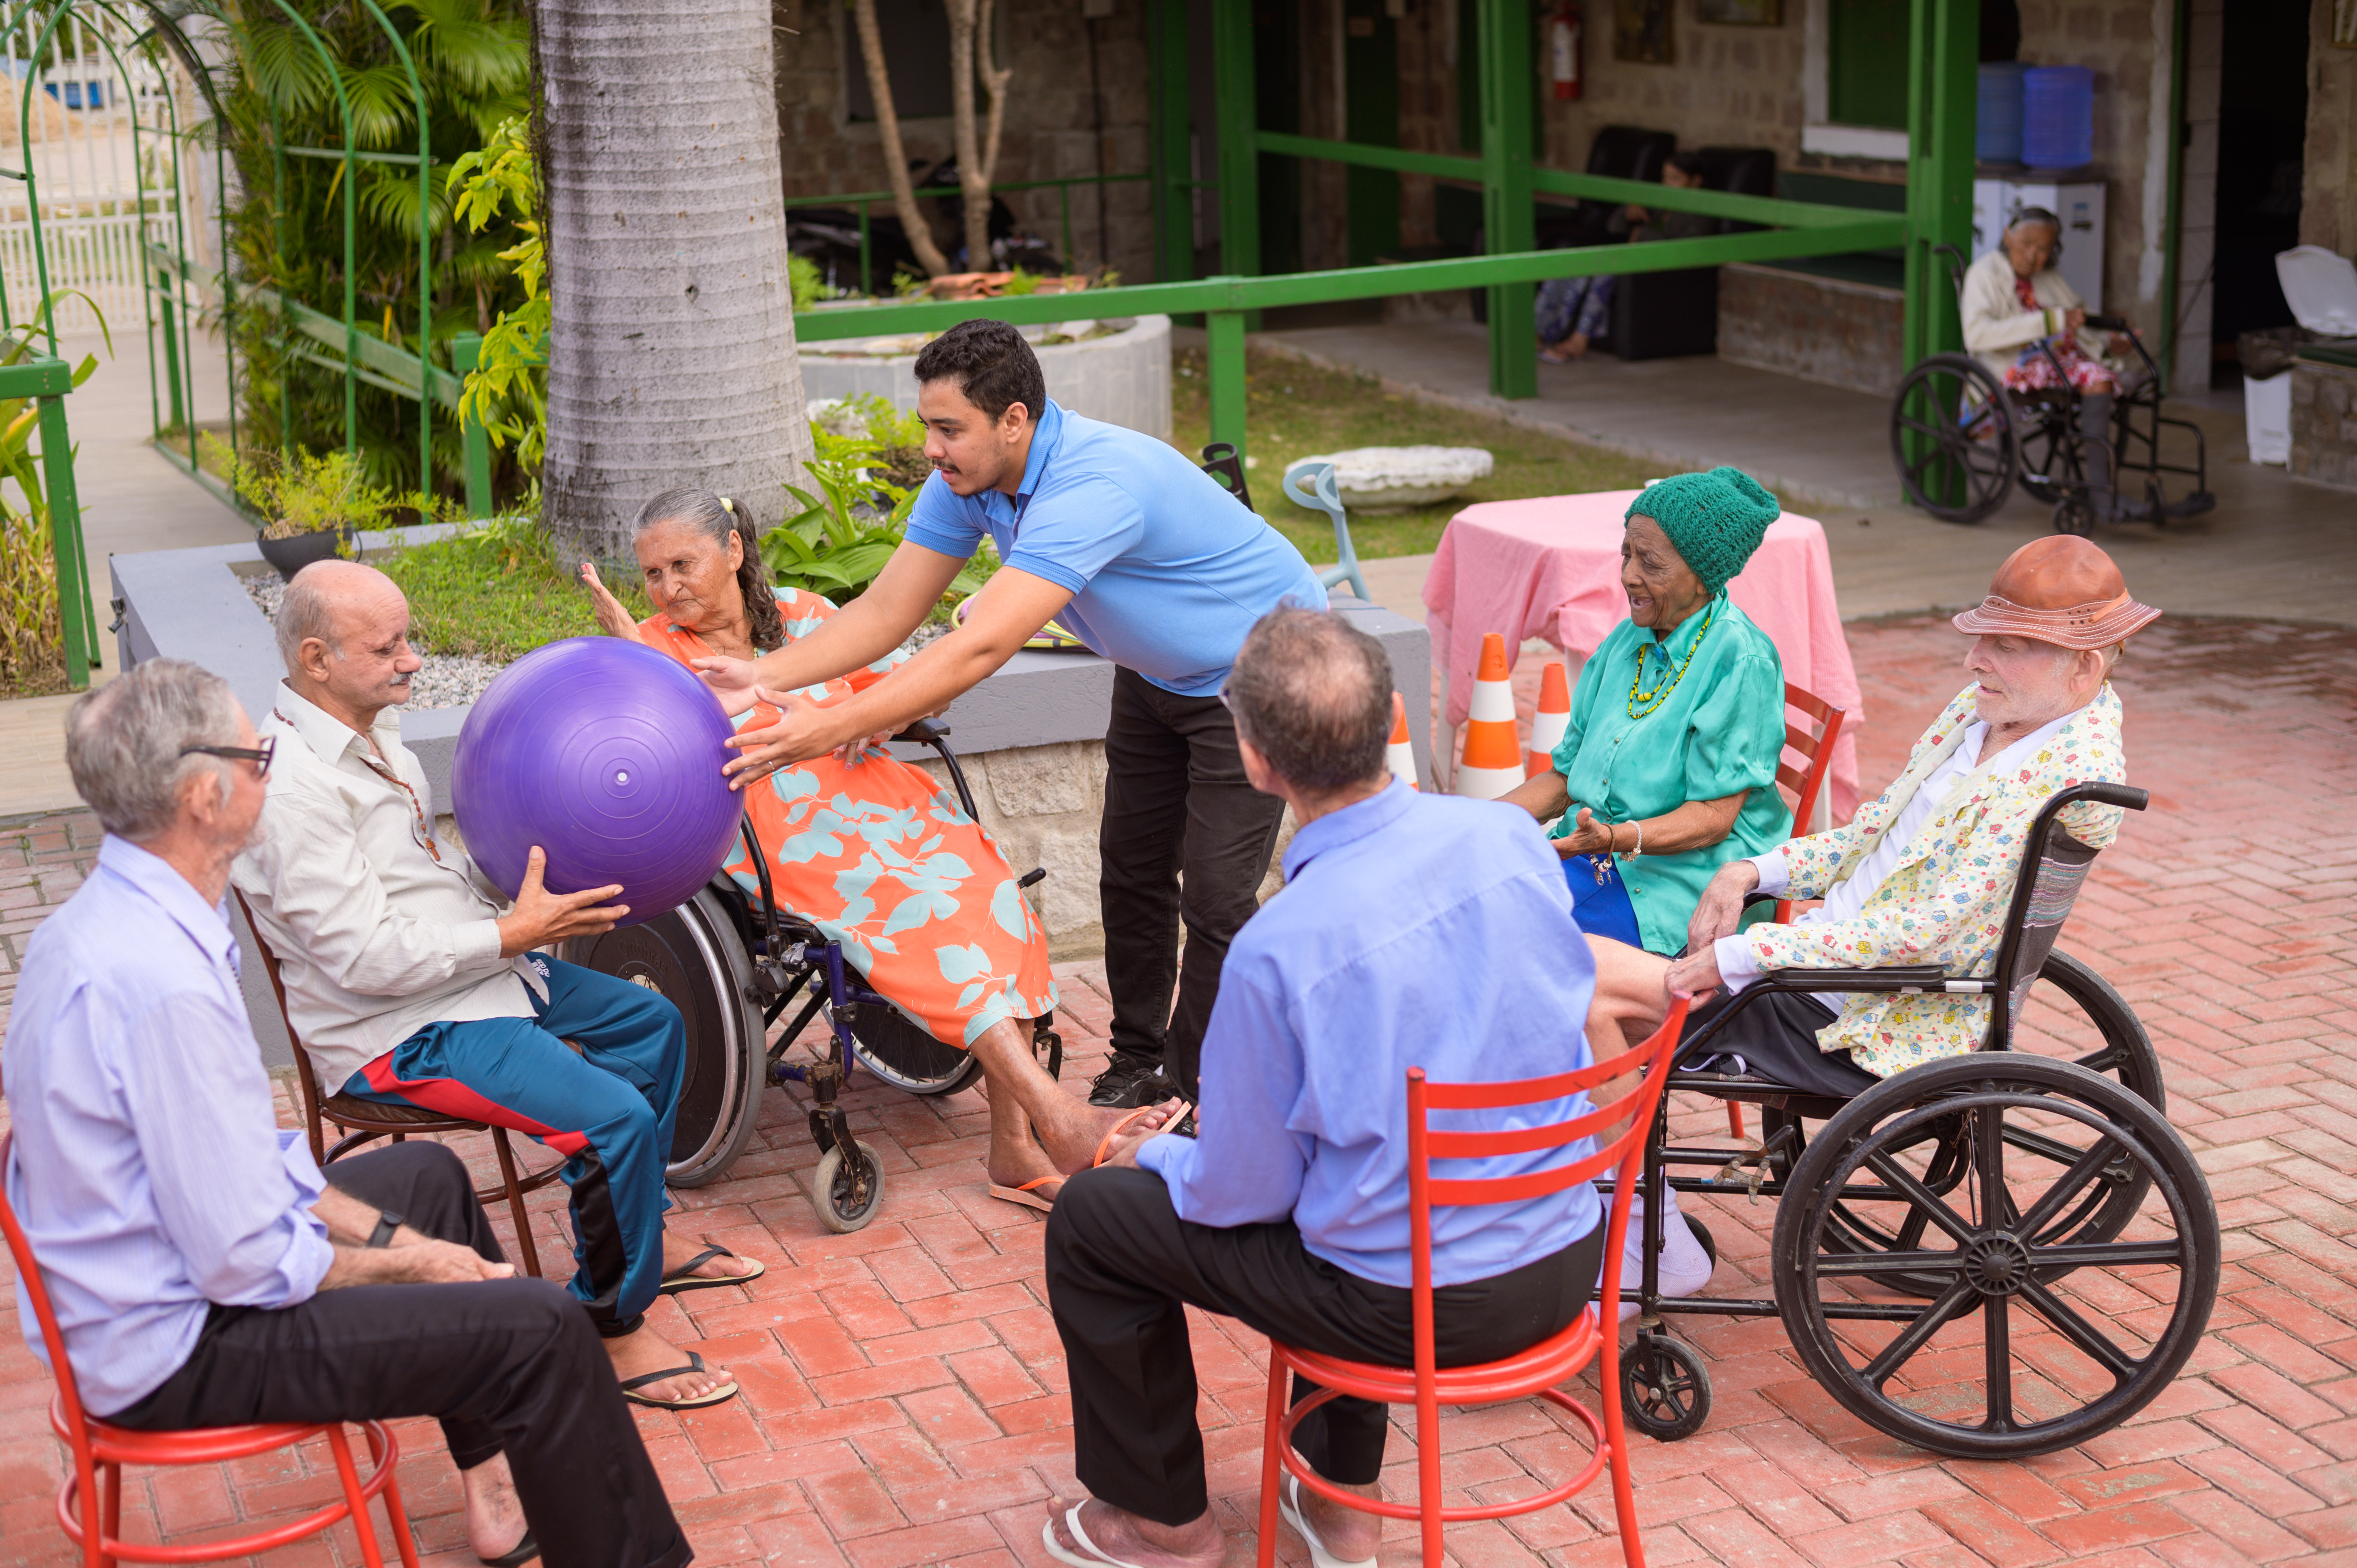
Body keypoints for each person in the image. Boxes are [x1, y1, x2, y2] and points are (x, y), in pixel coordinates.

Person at [5, 659, 688, 1568]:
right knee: (542, 1326)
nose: (272, 765)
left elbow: (230, 1158)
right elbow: (243, 1259)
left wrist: (394, 1230)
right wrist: (409, 1262)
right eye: (256, 755)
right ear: (204, 797)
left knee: (429, 1179)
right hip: (177, 1348)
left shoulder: (110, 919)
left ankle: (495, 1495)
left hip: (145, 1280)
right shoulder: (160, 982)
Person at [1038, 608, 1609, 1568]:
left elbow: (1243, 1194)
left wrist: (1153, 1151)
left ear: (1256, 762)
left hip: (1411, 1299)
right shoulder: (1509, 837)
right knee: (1356, 1183)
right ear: (1389, 716)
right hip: (1566, 1250)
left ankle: (1165, 1525)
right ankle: (1343, 1510)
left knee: (1095, 1217)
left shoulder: (1278, 946)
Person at [694, 318, 1327, 1110]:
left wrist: (823, 727)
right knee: (1131, 869)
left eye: (948, 428)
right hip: (1158, 673)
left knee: (1217, 896)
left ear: (1014, 420)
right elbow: (887, 609)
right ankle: (1136, 1061)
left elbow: (983, 644)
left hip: (1261, 670)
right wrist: (761, 673)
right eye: (927, 425)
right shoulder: (972, 478)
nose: (931, 447)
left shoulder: (1093, 484)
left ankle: (1191, 1091)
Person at [233, 560, 754, 1413]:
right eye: (388, 647)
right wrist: (512, 932)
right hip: (399, 1029)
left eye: (408, 639)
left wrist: (523, 883)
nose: (412, 660)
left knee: (652, 1025)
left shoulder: (372, 732)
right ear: (317, 659)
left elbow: (423, 877)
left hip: (473, 974)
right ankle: (613, 1325)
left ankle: (637, 1235)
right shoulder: (292, 788)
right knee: (612, 1121)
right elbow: (362, 958)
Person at [579, 486, 1108, 1211]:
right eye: (652, 574)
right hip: (780, 828)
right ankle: (1055, 1117)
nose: (668, 589)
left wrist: (873, 716)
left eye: (682, 565)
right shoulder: (653, 647)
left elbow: (916, 693)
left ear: (732, 551)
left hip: (882, 801)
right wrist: (633, 657)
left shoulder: (805, 616)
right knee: (927, 909)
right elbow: (642, 758)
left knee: (990, 895)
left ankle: (1013, 1145)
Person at [1585, 535, 2152, 1097]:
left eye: (2006, 646)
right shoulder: (1986, 713)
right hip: (1812, 972)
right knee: (1582, 980)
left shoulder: (2064, 776)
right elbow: (1870, 835)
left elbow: (1927, 932)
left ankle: (1618, 1159)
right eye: (1984, 640)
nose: (1974, 659)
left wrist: (1746, 954)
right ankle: (1613, 1153)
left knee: (1583, 982)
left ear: (2083, 666)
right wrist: (1753, 871)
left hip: (1856, 1020)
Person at [1498, 467, 1792, 955]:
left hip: (1688, 879)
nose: (1628, 575)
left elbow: (1714, 818)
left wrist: (1615, 838)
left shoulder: (1741, 659)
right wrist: (1481, 821)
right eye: (1627, 554)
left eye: (1650, 562)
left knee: (1514, 935)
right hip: (1599, 853)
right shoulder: (1627, 640)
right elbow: (1567, 777)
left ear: (1703, 578)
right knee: (1467, 900)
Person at [1961, 207, 2141, 521]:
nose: (2033, 256)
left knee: (2115, 374)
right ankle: (2102, 494)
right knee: (2098, 380)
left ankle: (2102, 488)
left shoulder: (2048, 277)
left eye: (2043, 249)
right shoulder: (1985, 274)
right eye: (2026, 244)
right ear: (2007, 237)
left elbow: (2078, 319)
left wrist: (2108, 340)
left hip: (2056, 357)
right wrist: (2049, 321)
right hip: (2012, 363)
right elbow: (1977, 334)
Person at [1535, 151, 1718, 363]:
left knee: (1605, 275)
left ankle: (1580, 339)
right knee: (1574, 265)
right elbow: (1614, 227)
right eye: (1665, 177)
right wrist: (1628, 212)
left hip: (1661, 267)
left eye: (1675, 179)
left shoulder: (1703, 210)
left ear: (1696, 181)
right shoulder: (1660, 200)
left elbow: (1688, 248)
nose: (1667, 184)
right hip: (1633, 256)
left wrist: (1643, 234)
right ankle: (1540, 331)